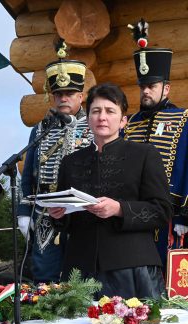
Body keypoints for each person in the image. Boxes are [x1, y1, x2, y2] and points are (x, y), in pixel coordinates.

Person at [49, 83, 172, 299]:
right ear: (88, 119)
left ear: (123, 120)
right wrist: (58, 215)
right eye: (95, 111)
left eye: (110, 111)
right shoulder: (70, 162)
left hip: (132, 266)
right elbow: (66, 220)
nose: (102, 117)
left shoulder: (144, 154)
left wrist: (119, 209)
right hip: (80, 269)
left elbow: (162, 211)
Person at [18, 42, 93, 283]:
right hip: (45, 214)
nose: (63, 98)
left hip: (83, 213)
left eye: (69, 93)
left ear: (80, 96)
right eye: (59, 94)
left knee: (81, 279)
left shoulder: (94, 125)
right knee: (44, 277)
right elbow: (28, 173)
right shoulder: (41, 128)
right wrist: (23, 212)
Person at [123, 24, 188, 269]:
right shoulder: (130, 124)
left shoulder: (184, 119)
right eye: (143, 86)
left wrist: (184, 214)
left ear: (166, 88)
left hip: (170, 217)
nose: (146, 91)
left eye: (152, 86)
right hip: (135, 214)